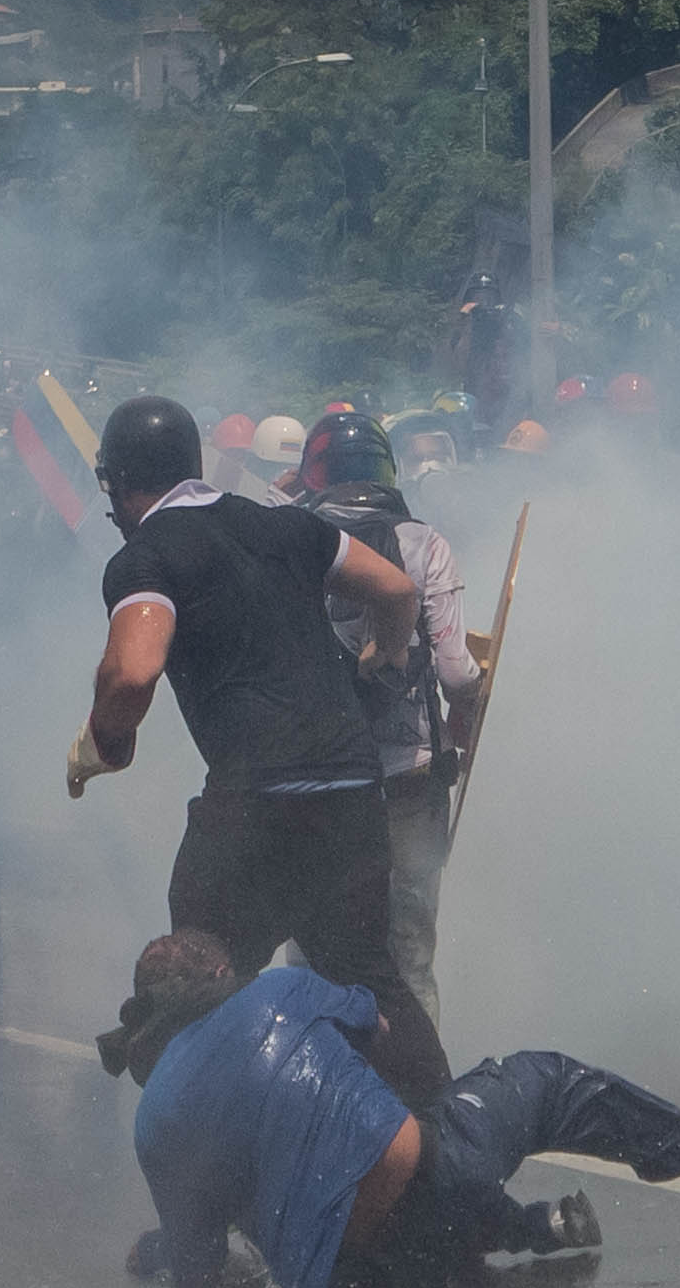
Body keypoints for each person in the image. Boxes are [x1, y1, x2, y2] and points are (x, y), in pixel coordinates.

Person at [67, 394, 451, 1107]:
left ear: (117, 483)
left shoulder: (144, 556)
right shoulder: (283, 525)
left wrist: (106, 740)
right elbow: (396, 590)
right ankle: (449, 1138)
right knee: (372, 980)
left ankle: (204, 1145)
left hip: (257, 811)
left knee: (194, 980)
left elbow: (132, 670)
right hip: (350, 796)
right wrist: (385, 658)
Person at [108, 931, 680, 1288]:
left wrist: (160, 1245)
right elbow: (378, 1021)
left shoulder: (153, 1123)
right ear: (222, 971)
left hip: (358, 1281)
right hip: (434, 1182)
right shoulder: (276, 989)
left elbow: (198, 1266)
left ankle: (539, 1227)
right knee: (545, 1085)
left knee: (286, 1185)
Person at [286, 406, 484, 1032]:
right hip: (409, 783)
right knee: (408, 960)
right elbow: (456, 674)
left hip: (318, 783)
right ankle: (424, 1104)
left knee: (312, 956)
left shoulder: (287, 542)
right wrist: (479, 694)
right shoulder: (424, 543)